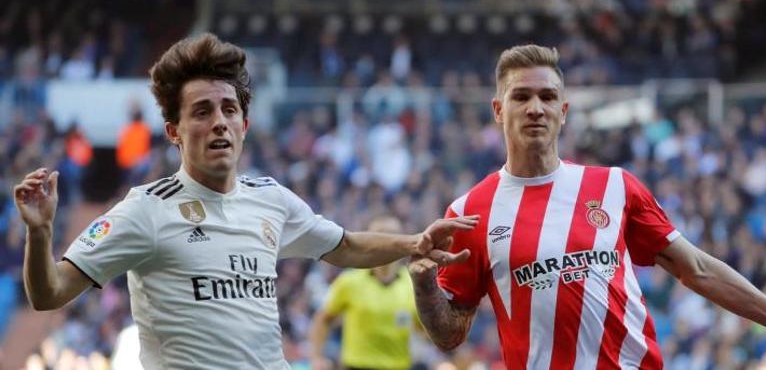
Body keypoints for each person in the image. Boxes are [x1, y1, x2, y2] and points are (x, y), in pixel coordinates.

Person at [13, 33, 477, 369]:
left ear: (244, 126)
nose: (219, 122)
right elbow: (48, 293)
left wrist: (414, 242)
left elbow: (347, 246)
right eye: (202, 111)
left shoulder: (270, 198)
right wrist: (39, 232)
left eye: (228, 110)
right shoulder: (145, 209)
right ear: (174, 132)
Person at [408, 44, 766, 370]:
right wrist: (426, 287)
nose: (535, 109)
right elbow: (450, 335)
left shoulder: (614, 187)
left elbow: (697, 268)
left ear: (564, 111)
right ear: (496, 110)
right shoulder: (470, 211)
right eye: (521, 97)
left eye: (546, 98)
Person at [310, 215, 419, 370]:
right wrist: (317, 357)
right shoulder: (349, 281)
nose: (387, 240)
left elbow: (426, 330)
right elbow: (322, 319)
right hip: (356, 366)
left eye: (393, 233)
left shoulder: (413, 284)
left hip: (399, 366)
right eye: (380, 234)